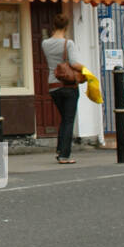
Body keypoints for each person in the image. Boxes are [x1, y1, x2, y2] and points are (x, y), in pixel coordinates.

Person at [42, 14, 84, 164]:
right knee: (68, 120)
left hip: (53, 86)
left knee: (64, 119)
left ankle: (60, 149)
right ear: (66, 27)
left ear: (54, 26)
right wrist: (85, 69)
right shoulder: (69, 43)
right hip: (68, 86)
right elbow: (74, 63)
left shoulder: (45, 43)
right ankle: (64, 155)